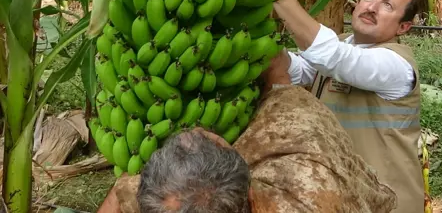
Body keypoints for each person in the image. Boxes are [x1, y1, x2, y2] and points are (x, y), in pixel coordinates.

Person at [96, 58, 397, 213]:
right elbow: (283, 86)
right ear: (251, 195)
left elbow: (123, 196)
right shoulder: (306, 159)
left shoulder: (167, 202)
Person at [271, 0, 426, 213]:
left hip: (386, 200)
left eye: (387, 5)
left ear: (403, 27)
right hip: (342, 190)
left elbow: (332, 57)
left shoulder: (397, 65)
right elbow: (298, 71)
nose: (372, 8)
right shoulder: (345, 44)